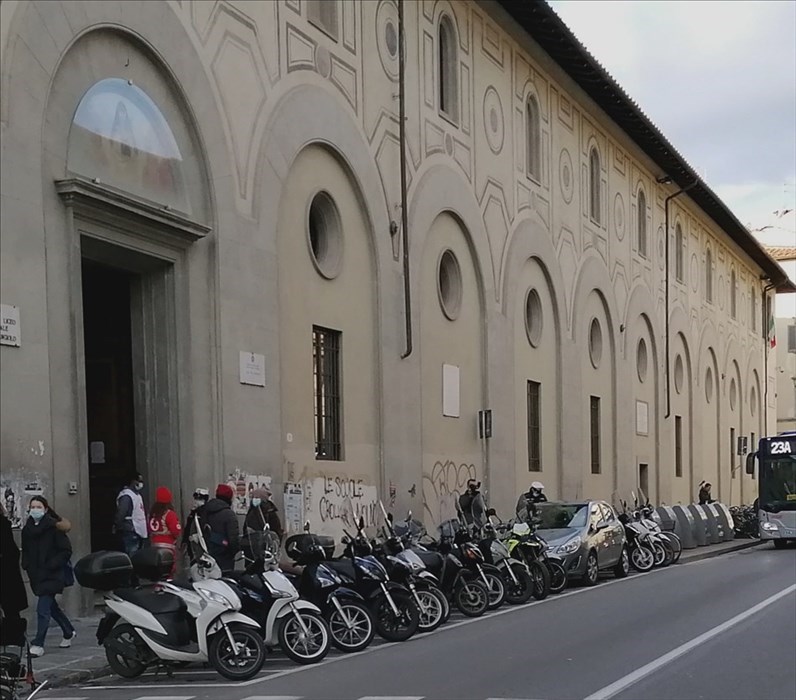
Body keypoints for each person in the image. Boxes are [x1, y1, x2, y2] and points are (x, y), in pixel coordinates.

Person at [20, 496, 75, 657]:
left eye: (38, 507)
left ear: (45, 509)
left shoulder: (54, 527)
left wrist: (52, 564)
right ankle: (68, 631)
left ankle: (38, 644)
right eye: (33, 507)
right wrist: (26, 564)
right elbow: (26, 550)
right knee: (51, 607)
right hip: (36, 574)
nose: (35, 510)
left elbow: (66, 550)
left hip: (52, 574)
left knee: (42, 609)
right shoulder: (27, 529)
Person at [0, 503, 28, 623]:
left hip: (6, 577)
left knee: (11, 612)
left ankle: (15, 631)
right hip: (7, 578)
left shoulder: (3, 525)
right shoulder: (4, 524)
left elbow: (11, 552)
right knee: (11, 611)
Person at [204, 484, 240, 572]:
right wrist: (234, 552)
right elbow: (233, 539)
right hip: (224, 556)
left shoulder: (205, 510)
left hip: (206, 554)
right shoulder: (229, 514)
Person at [148, 487, 182, 575]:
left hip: (154, 546)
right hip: (168, 546)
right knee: (169, 570)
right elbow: (176, 530)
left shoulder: (152, 514)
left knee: (157, 570)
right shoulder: (169, 514)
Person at [115, 472, 147, 556]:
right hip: (130, 531)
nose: (140, 483)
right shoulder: (126, 496)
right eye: (139, 480)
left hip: (139, 532)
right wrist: (117, 525)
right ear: (132, 481)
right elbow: (121, 513)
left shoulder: (137, 495)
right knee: (132, 557)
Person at [182, 487, 209, 552]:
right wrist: (185, 541)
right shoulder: (193, 513)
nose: (197, 501)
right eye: (196, 498)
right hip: (192, 547)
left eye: (200, 499)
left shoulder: (207, 513)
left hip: (203, 547)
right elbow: (188, 528)